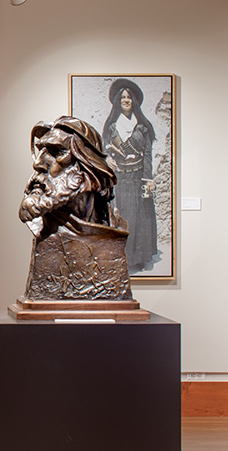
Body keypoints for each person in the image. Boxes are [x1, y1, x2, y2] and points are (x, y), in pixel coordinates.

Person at [17, 116, 133, 303]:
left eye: (56, 152)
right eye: (41, 152)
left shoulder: (113, 234)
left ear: (87, 169)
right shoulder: (46, 229)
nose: (38, 164)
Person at [99, 78, 160, 274]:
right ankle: (122, 256)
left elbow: (148, 155)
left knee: (140, 218)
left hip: (138, 179)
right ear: (118, 101)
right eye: (122, 97)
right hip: (119, 179)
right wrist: (107, 159)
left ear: (134, 101)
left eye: (129, 97)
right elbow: (103, 150)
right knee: (122, 216)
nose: (126, 100)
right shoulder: (111, 127)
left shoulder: (143, 126)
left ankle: (140, 258)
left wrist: (148, 179)